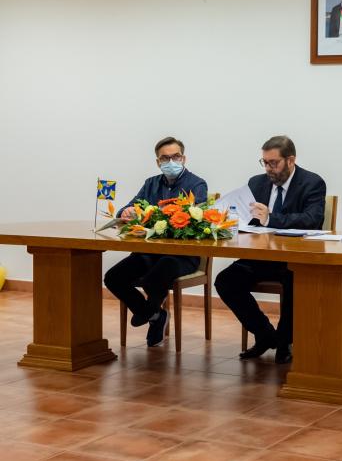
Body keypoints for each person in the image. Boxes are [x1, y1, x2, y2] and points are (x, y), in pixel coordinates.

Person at [215, 135, 326, 364]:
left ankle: (285, 341)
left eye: (273, 163)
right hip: (260, 257)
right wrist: (233, 220)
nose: (268, 169)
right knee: (225, 281)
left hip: (293, 259)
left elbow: (312, 219)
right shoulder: (256, 183)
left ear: (291, 160)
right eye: (264, 162)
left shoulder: (312, 183)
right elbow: (250, 220)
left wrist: (271, 218)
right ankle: (266, 335)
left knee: (295, 281)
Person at [104, 136, 208, 347]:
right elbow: (130, 207)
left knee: (158, 273)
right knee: (113, 277)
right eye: (165, 158)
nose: (171, 162)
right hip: (148, 251)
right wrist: (128, 211)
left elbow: (190, 218)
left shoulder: (196, 184)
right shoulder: (150, 183)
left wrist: (154, 214)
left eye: (175, 156)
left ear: (184, 158)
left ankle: (150, 315)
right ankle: (154, 316)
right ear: (158, 162)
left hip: (182, 256)